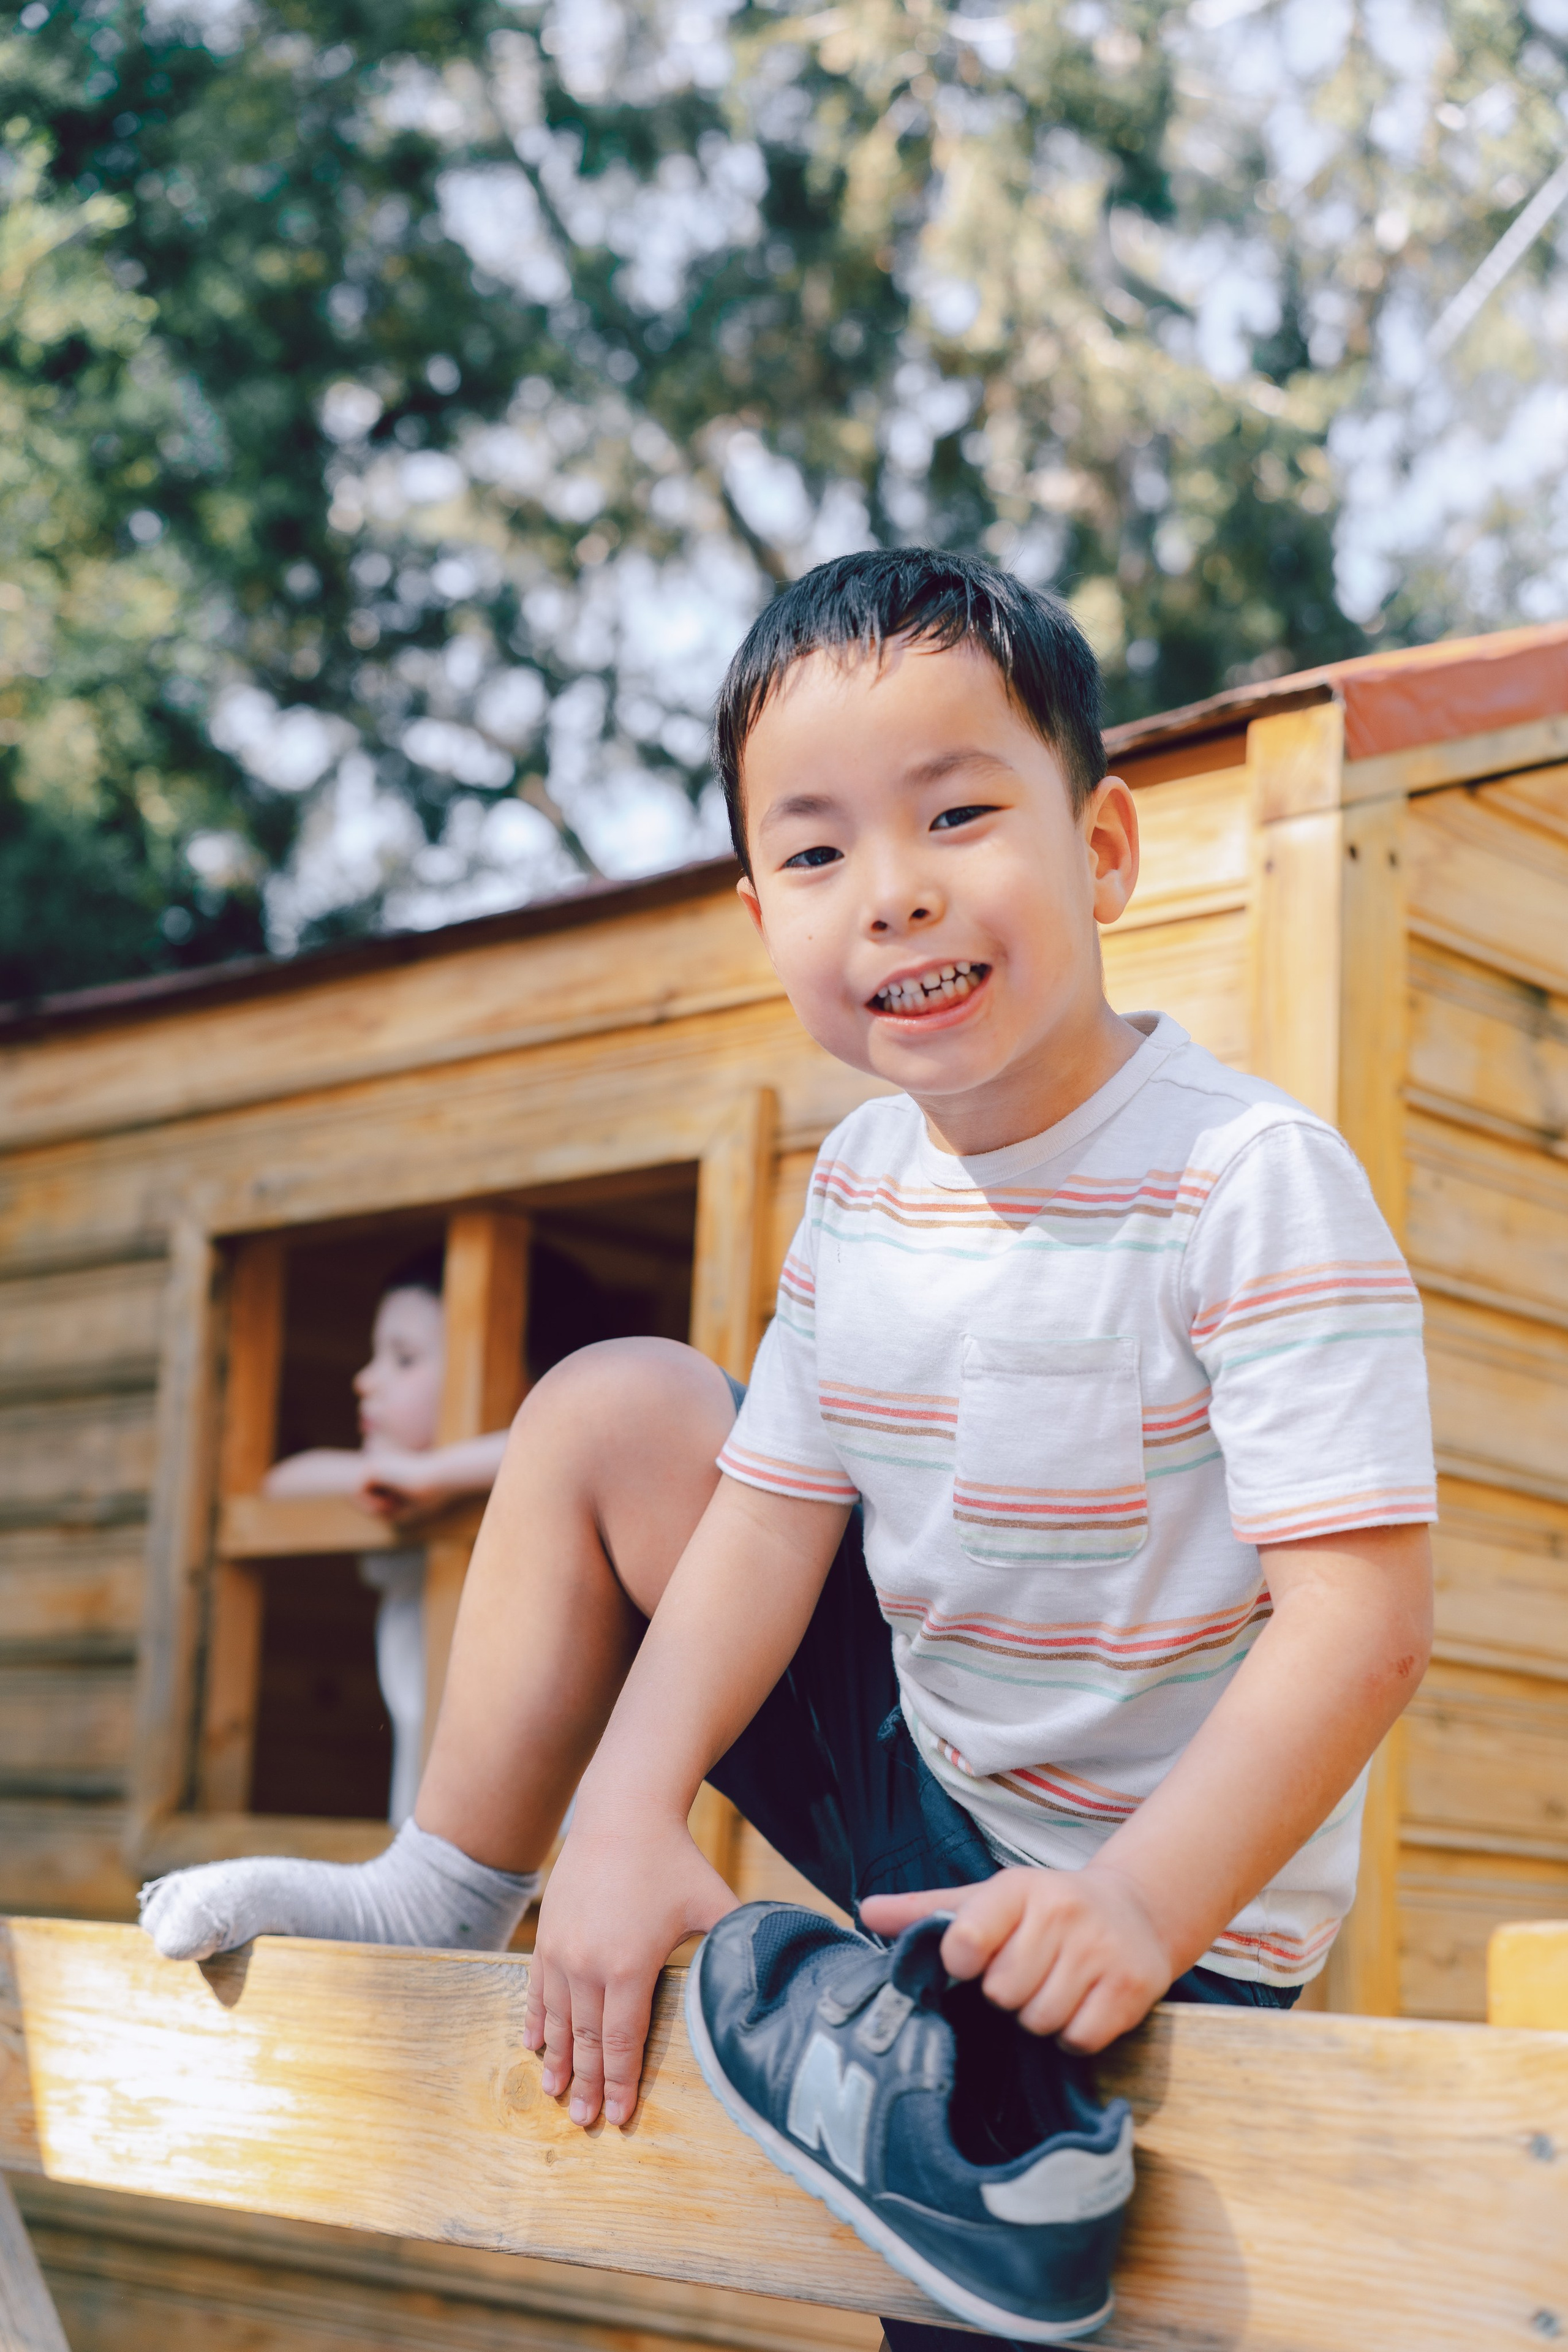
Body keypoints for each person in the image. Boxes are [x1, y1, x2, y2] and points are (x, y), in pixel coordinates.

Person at [143, 554, 1434, 2237]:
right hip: (927, 1802)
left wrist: (1135, 1902)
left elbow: (1362, 1619)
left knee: (990, 2275)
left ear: (1102, 849)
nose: (890, 893)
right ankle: (446, 1885)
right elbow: (758, 1530)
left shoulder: (1244, 1176)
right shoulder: (861, 1184)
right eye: (817, 854)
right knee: (614, 1409)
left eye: (956, 815)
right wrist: (624, 1813)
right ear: (765, 922)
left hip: (1178, 1893)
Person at [261, 1248, 509, 1825]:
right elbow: (279, 1485)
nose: (365, 1380)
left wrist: (436, 1474)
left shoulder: (538, 1480)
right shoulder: (397, 1492)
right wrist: (401, 1476)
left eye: (404, 1358)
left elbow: (585, 1433)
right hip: (426, 1841)